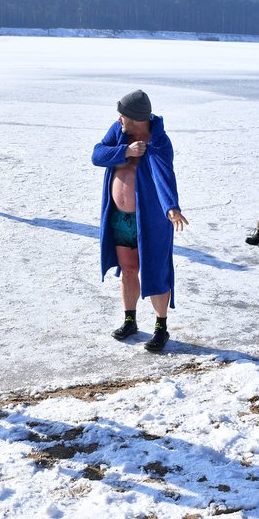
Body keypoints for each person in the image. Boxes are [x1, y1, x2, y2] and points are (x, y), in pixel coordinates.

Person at [92, 90, 188, 352]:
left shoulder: (158, 141)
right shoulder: (119, 132)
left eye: (122, 114)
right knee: (128, 269)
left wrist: (171, 207)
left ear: (134, 117)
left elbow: (163, 174)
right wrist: (126, 150)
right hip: (120, 218)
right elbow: (97, 155)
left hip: (150, 220)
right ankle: (130, 320)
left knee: (156, 271)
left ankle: (160, 327)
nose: (118, 118)